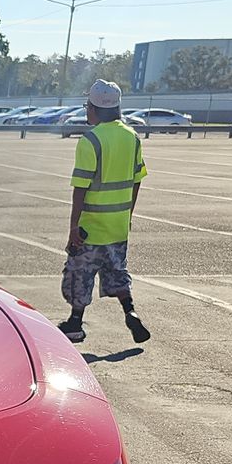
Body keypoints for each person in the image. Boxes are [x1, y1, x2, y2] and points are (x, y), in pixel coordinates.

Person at [59, 79, 151, 345]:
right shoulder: (131, 137)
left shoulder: (91, 140)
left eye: (87, 106)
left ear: (94, 108)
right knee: (117, 271)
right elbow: (137, 179)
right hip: (118, 225)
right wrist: (128, 214)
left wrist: (73, 226)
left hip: (92, 226)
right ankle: (130, 312)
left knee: (79, 273)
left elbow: (81, 187)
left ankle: (75, 323)